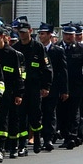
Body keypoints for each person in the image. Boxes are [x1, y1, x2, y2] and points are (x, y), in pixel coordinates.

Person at [12, 17, 52, 154]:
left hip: (35, 86)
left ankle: (37, 140)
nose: (22, 35)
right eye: (20, 32)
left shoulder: (38, 47)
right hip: (21, 88)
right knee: (21, 116)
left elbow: (47, 68)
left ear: (30, 31)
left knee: (35, 115)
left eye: (24, 32)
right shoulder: (15, 49)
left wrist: (46, 86)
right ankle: (22, 144)